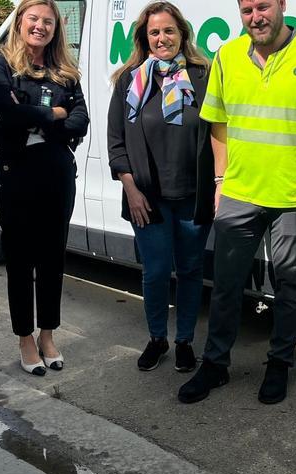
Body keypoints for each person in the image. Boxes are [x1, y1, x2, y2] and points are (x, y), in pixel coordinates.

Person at [179, 0, 296, 405]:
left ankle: (280, 365)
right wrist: (219, 180)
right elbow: (218, 122)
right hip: (240, 193)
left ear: (282, 5)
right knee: (226, 285)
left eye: (263, 6)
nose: (255, 17)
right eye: (246, 10)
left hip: (294, 197)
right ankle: (215, 364)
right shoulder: (227, 57)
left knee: (289, 285)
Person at [0, 0, 88, 376]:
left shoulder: (65, 72)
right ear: (20, 22)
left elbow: (82, 120)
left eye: (48, 21)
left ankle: (47, 334)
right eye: (33, 19)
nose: (40, 26)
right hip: (16, 173)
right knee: (20, 261)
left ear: (56, 29)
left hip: (57, 175)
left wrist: (39, 117)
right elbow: (7, 113)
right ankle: (25, 338)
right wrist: (56, 114)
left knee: (51, 261)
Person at [107, 2, 215, 373]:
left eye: (169, 30)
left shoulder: (203, 75)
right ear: (144, 37)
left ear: (182, 34)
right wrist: (131, 190)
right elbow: (116, 141)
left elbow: (219, 132)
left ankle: (184, 340)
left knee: (189, 270)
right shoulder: (130, 80)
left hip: (192, 195)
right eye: (154, 32)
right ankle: (157, 338)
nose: (162, 38)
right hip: (147, 199)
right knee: (154, 272)